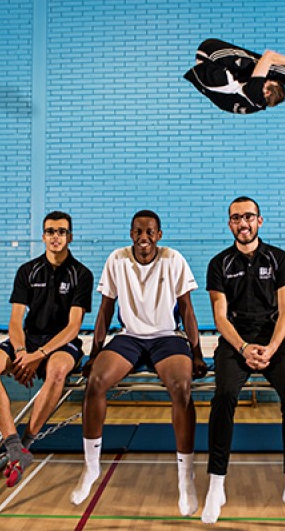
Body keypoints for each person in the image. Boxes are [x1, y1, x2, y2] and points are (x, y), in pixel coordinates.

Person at [70, 210, 208, 516]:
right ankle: (91, 467)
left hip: (167, 337)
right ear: (131, 233)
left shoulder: (173, 259)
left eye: (149, 232)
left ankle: (186, 476)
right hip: (129, 336)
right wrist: (95, 353)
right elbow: (105, 310)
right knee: (95, 383)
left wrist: (196, 353)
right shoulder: (117, 260)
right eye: (137, 231)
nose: (143, 237)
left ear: (159, 235)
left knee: (182, 389)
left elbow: (186, 310)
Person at [202, 197, 285, 526]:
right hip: (235, 343)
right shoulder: (219, 263)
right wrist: (244, 347)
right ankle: (216, 484)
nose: (242, 223)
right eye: (236, 218)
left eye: (248, 216)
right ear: (230, 224)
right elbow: (220, 317)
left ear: (259, 221)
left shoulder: (279, 259)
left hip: (274, 342)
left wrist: (272, 347)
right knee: (223, 396)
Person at [0, 211, 93, 487]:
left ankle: (26, 443)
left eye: (61, 231)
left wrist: (38, 357)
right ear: (43, 237)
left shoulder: (82, 274)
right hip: (27, 341)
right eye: (51, 231)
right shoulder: (27, 271)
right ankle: (14, 445)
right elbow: (15, 320)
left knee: (57, 370)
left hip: (61, 342)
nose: (56, 236)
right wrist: (20, 354)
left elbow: (73, 327)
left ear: (70, 237)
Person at [183, 38, 285, 115]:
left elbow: (269, 56)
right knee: (261, 69)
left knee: (268, 66)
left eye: (266, 83)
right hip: (209, 79)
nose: (264, 81)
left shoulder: (255, 93)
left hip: (209, 54)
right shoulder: (256, 106)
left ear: (266, 92)